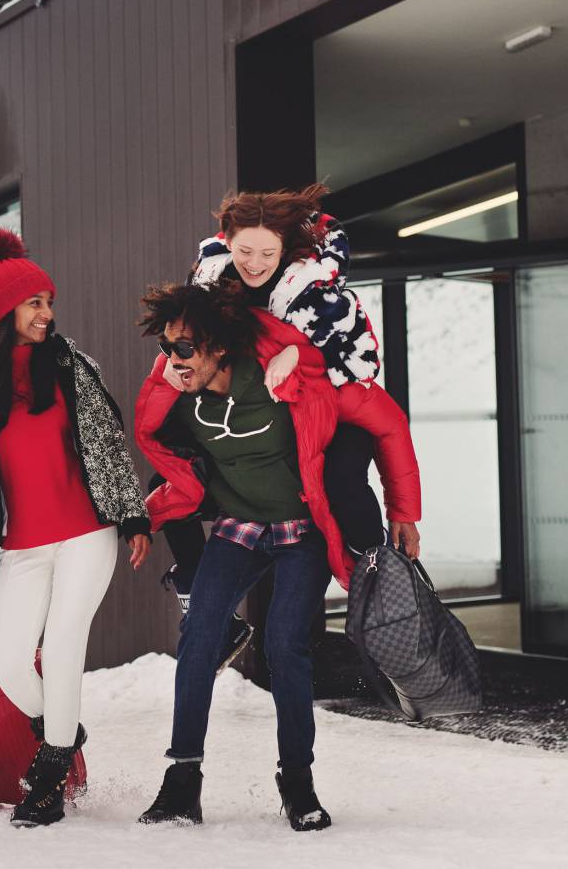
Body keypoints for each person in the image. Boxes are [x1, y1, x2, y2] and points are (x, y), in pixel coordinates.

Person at [133, 280, 422, 832]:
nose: (173, 360)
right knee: (197, 638)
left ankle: (297, 781)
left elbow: (383, 421)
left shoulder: (279, 381)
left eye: (184, 348)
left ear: (218, 345)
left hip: (302, 532)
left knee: (286, 645)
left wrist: (403, 510)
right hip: (238, 529)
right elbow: (167, 469)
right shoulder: (181, 403)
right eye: (166, 349)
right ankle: (182, 781)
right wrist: (142, 520)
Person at [138, 188, 421, 648]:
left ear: (284, 249)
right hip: (265, 418)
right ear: (226, 241)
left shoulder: (313, 302)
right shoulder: (212, 294)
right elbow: (182, 351)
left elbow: (386, 421)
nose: (254, 262)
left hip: (324, 396)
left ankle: (378, 581)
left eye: (267, 253)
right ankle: (199, 596)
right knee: (168, 485)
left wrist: (404, 514)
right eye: (244, 250)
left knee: (341, 481)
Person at [0, 229, 152, 827]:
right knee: (9, 665)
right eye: (35, 303)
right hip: (23, 548)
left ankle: (50, 772)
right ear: (6, 310)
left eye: (48, 301)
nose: (47, 313)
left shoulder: (71, 366)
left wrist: (131, 514)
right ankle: (65, 729)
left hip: (86, 533)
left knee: (61, 644)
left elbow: (108, 445)